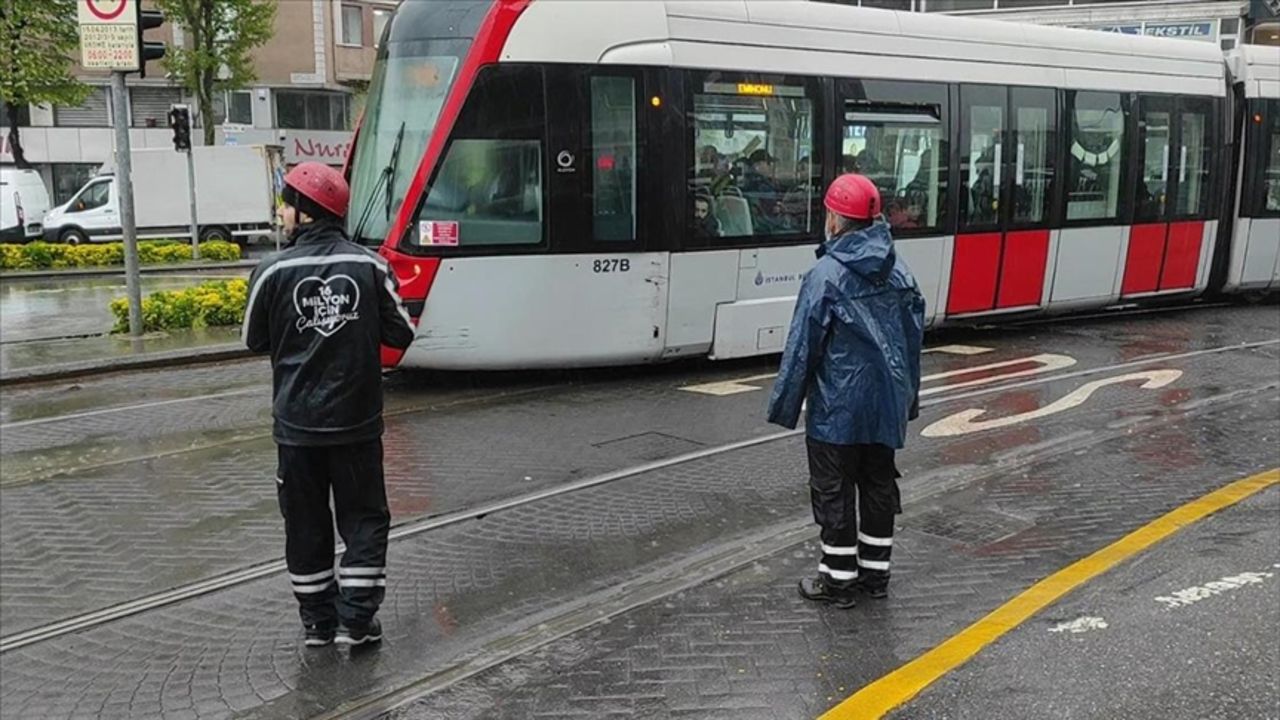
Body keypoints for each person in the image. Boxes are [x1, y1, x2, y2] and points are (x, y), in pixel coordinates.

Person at [242, 162, 416, 647]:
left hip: (296, 429)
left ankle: (318, 623)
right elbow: (402, 332)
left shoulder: (271, 270)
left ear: (304, 212)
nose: (280, 212)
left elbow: (254, 340)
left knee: (305, 522)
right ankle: (356, 623)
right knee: (363, 519)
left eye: (285, 203)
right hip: (357, 425)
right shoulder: (371, 267)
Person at [766, 173, 925, 609]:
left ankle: (838, 580)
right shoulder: (901, 271)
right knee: (878, 486)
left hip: (837, 410)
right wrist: (908, 400)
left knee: (833, 492)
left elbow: (803, 348)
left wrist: (785, 406)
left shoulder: (825, 276)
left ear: (835, 220)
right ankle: (876, 575)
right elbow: (912, 343)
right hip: (885, 406)